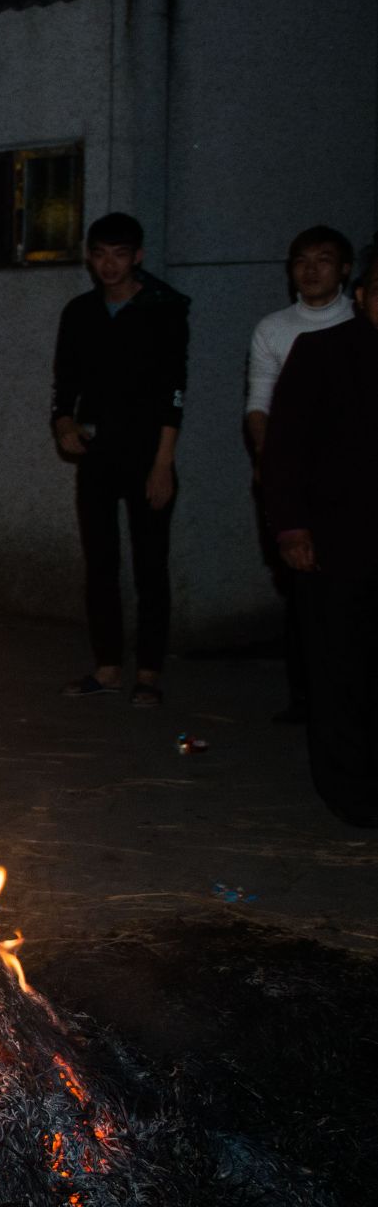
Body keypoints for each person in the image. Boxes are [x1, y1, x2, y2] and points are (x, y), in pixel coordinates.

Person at [52, 212, 188, 708]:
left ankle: (148, 672)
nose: (109, 265)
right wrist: (63, 423)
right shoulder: (80, 312)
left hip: (148, 451)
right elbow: (65, 382)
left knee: (151, 564)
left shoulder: (163, 308)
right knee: (100, 562)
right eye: (100, 254)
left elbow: (175, 390)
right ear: (90, 258)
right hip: (98, 452)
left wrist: (163, 462)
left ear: (138, 256)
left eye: (120, 254)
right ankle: (107, 666)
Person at [261, 254, 378, 827]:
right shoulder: (323, 354)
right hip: (337, 544)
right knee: (340, 670)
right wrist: (291, 528)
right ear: (362, 295)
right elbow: (283, 451)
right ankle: (352, 793)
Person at [244, 225, 355, 723]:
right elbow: (259, 404)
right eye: (301, 261)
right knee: (302, 588)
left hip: (350, 480)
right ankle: (306, 694)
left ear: (345, 269)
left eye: (323, 260)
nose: (311, 270)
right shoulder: (273, 328)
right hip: (297, 478)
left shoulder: (360, 322)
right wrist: (271, 463)